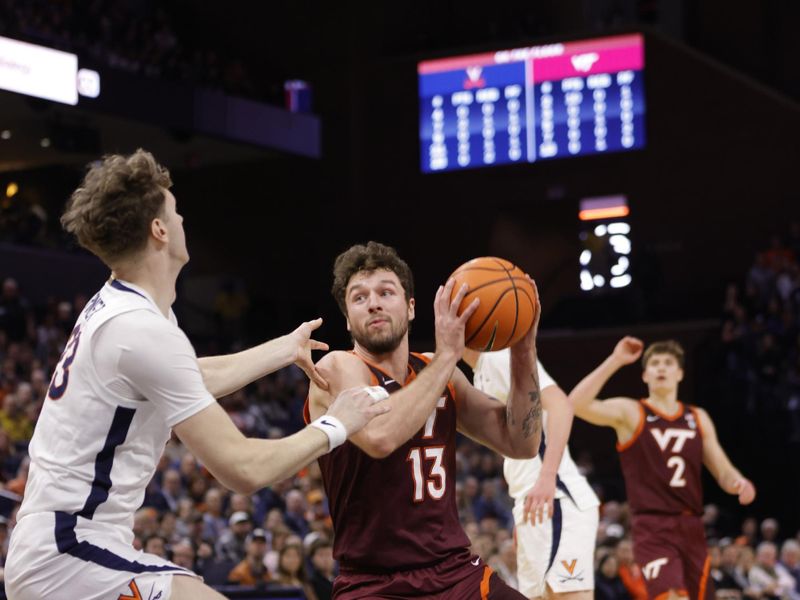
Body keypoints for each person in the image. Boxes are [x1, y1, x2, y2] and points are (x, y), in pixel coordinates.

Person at [4, 150, 390, 600]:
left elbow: (188, 378)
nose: (184, 219)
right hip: (66, 552)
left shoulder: (131, 308)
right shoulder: (139, 329)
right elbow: (243, 468)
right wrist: (336, 423)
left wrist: (283, 350)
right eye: (176, 210)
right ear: (160, 230)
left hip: (64, 546)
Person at [306, 241, 544, 598]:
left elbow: (521, 443)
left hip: (454, 572)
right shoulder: (336, 368)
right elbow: (380, 438)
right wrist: (449, 356)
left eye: (386, 292)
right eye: (359, 297)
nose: (373, 302)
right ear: (347, 320)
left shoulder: (438, 370)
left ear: (412, 307)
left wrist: (523, 349)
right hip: (374, 583)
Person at [569, 337, 757, 600]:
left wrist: (739, 483)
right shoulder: (632, 412)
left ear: (679, 373)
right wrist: (616, 360)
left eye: (668, 363)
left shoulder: (697, 417)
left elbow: (723, 471)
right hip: (652, 525)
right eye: (654, 363)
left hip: (691, 525)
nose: (661, 368)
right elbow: (576, 404)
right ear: (645, 375)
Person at [464, 347, 600, 600]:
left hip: (555, 497)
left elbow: (561, 405)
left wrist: (548, 476)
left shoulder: (498, 358)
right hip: (531, 503)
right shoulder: (481, 371)